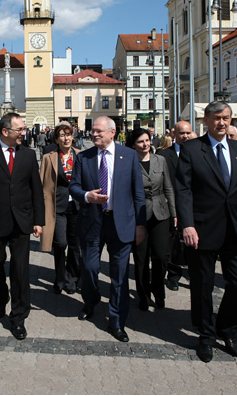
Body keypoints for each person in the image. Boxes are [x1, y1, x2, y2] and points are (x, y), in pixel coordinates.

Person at [175, 101, 237, 363]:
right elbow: (183, 190)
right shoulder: (191, 149)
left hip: (235, 229)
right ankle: (206, 336)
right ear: (206, 121)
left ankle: (227, 329)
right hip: (202, 228)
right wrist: (187, 224)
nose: (223, 123)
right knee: (202, 286)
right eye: (218, 118)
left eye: (227, 118)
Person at [70, 116, 146, 343]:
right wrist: (87, 196)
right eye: (93, 131)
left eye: (99, 131)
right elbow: (73, 186)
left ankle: (116, 320)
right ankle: (90, 302)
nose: (94, 134)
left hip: (121, 223)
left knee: (119, 275)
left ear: (113, 133)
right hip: (93, 221)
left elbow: (138, 193)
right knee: (90, 268)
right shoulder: (84, 157)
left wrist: (140, 225)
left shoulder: (129, 156)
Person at [0, 112, 44, 340]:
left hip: (22, 221)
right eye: (20, 129)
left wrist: (38, 221)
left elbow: (36, 191)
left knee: (20, 271)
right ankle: (1, 298)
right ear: (5, 132)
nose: (24, 132)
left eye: (23, 129)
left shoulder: (29, 155)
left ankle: (18, 316)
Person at [126, 128, 176, 311]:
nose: (146, 144)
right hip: (139, 215)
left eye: (147, 140)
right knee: (141, 258)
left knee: (162, 256)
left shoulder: (160, 160)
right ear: (133, 145)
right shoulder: (129, 163)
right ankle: (143, 295)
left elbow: (168, 187)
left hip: (161, 212)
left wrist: (174, 213)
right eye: (141, 141)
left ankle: (158, 290)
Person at [40, 122, 82, 294]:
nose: (66, 138)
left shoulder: (80, 155)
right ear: (56, 139)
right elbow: (41, 182)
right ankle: (60, 277)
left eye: (69, 134)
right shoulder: (48, 157)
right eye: (62, 135)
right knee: (60, 243)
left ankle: (72, 279)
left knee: (75, 244)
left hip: (77, 206)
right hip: (57, 206)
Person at [156, 120, 192, 290]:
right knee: (173, 242)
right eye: (181, 133)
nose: (185, 136)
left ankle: (194, 272)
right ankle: (173, 275)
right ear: (174, 135)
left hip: (193, 206)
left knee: (193, 242)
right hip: (172, 205)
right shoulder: (164, 155)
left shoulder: (200, 153)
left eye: (187, 133)